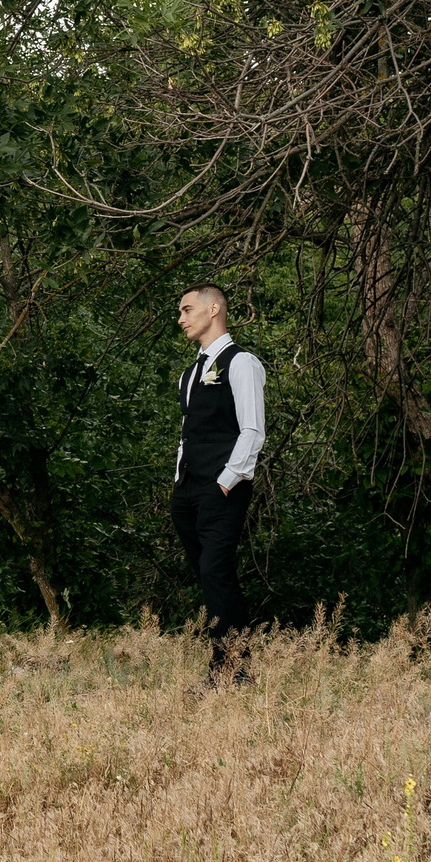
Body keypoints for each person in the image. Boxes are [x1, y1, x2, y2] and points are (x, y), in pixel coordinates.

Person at [171, 285, 266, 683]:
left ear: (214, 309)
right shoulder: (190, 372)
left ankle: (231, 669)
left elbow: (252, 431)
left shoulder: (241, 363)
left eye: (187, 309)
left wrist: (226, 481)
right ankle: (231, 662)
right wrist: (180, 481)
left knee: (216, 569)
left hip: (222, 486)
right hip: (189, 489)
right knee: (209, 575)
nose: (181, 318)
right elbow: (187, 432)